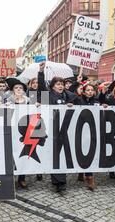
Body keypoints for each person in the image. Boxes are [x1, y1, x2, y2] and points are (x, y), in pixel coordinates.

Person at [38, 62, 79, 193]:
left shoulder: (68, 96)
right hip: (52, 130)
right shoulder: (48, 95)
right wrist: (41, 71)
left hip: (65, 129)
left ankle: (62, 181)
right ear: (52, 86)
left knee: (62, 155)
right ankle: (57, 181)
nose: (60, 86)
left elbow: (80, 101)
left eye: (62, 84)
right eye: (58, 84)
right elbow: (40, 86)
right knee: (54, 155)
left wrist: (72, 104)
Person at [77, 84, 98, 191]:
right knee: (81, 152)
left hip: (92, 131)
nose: (90, 92)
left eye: (92, 90)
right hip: (81, 130)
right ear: (84, 92)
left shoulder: (97, 101)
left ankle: (89, 176)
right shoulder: (79, 100)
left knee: (90, 153)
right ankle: (83, 173)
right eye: (88, 90)